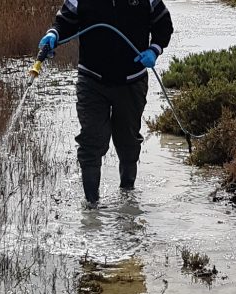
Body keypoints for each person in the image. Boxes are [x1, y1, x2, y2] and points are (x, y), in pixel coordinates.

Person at [39, 0, 173, 207]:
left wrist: (154, 50)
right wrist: (53, 35)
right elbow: (64, 23)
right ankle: (92, 208)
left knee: (128, 142)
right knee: (91, 141)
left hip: (132, 81)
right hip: (91, 80)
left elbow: (164, 25)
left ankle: (128, 200)